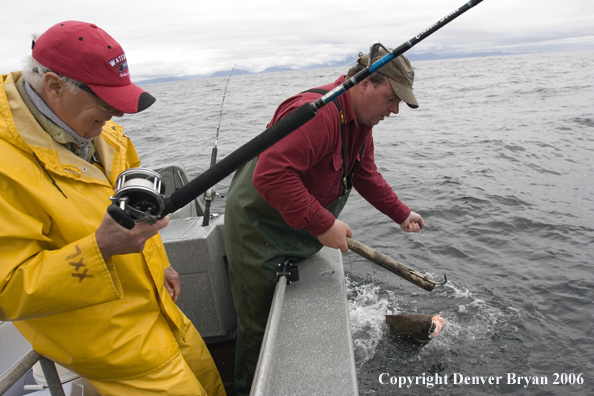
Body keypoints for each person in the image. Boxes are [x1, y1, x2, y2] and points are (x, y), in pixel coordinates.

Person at [0, 21, 226, 396]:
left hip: (161, 312)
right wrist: (99, 249)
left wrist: (161, 264)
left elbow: (133, 212)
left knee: (210, 380)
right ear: (54, 85)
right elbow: (7, 291)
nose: (116, 115)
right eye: (105, 102)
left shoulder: (106, 136)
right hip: (113, 348)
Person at [224, 46, 425, 395]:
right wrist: (323, 224)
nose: (394, 110)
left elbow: (364, 174)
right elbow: (271, 176)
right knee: (257, 329)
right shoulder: (317, 114)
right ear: (364, 83)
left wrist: (401, 213)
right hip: (260, 229)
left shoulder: (360, 122)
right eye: (391, 98)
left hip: (296, 229)